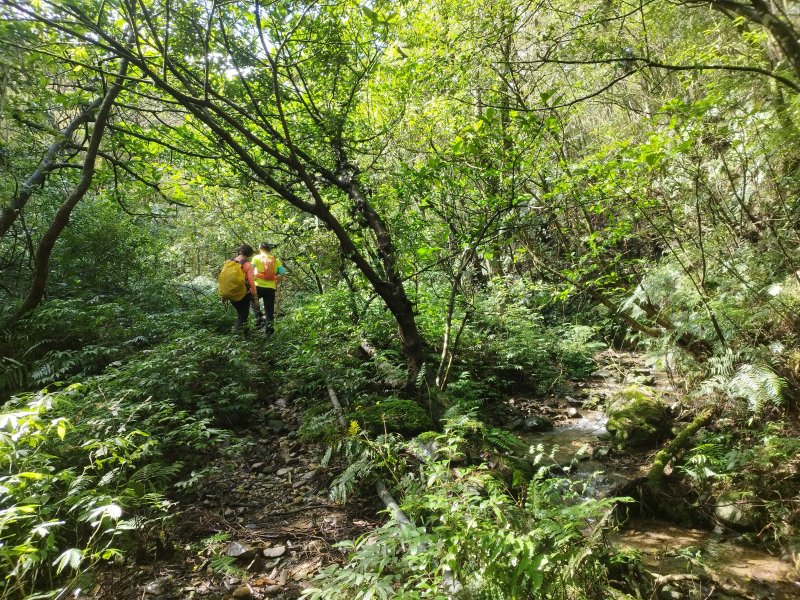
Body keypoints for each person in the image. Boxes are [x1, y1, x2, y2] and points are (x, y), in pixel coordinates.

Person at [251, 241, 286, 335]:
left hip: (258, 286)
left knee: (252, 300)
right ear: (269, 250)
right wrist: (277, 281)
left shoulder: (256, 258)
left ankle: (259, 318)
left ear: (260, 249)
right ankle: (269, 333)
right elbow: (283, 272)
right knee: (269, 311)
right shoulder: (275, 260)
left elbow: (250, 270)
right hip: (270, 288)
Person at [225, 243, 259, 331]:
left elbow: (224, 278)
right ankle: (235, 334)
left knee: (242, 315)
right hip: (243, 294)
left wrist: (224, 295)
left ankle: (245, 334)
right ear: (250, 254)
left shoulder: (229, 262)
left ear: (240, 251)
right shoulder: (249, 265)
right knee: (243, 316)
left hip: (231, 293)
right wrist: (255, 297)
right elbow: (251, 282)